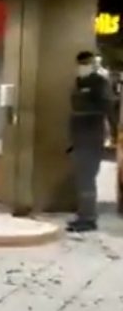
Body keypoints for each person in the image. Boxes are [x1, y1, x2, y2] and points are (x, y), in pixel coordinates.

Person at [67, 51, 114, 233]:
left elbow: (108, 108)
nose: (83, 66)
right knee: (82, 179)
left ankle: (88, 218)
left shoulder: (99, 83)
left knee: (87, 178)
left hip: (92, 136)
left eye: (86, 62)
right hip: (79, 137)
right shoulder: (79, 83)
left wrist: (113, 132)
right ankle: (83, 215)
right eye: (81, 63)